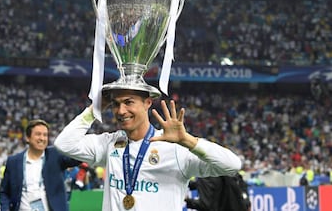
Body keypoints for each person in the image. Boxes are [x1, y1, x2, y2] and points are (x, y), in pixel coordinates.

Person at [54, 89, 242, 210]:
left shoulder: (176, 148)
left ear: (147, 103)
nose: (121, 111)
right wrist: (96, 107)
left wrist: (188, 140)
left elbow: (232, 165)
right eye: (115, 104)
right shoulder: (110, 143)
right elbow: (64, 144)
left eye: (129, 102)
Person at [0, 119, 81, 211]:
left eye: (45, 135)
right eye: (38, 134)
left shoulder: (56, 155)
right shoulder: (13, 162)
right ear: (27, 138)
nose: (42, 138)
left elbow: (77, 158)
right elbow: (4, 192)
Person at [185, 172, 250, 211]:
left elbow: (205, 205)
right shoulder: (233, 174)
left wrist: (187, 200)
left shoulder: (206, 175)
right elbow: (247, 204)